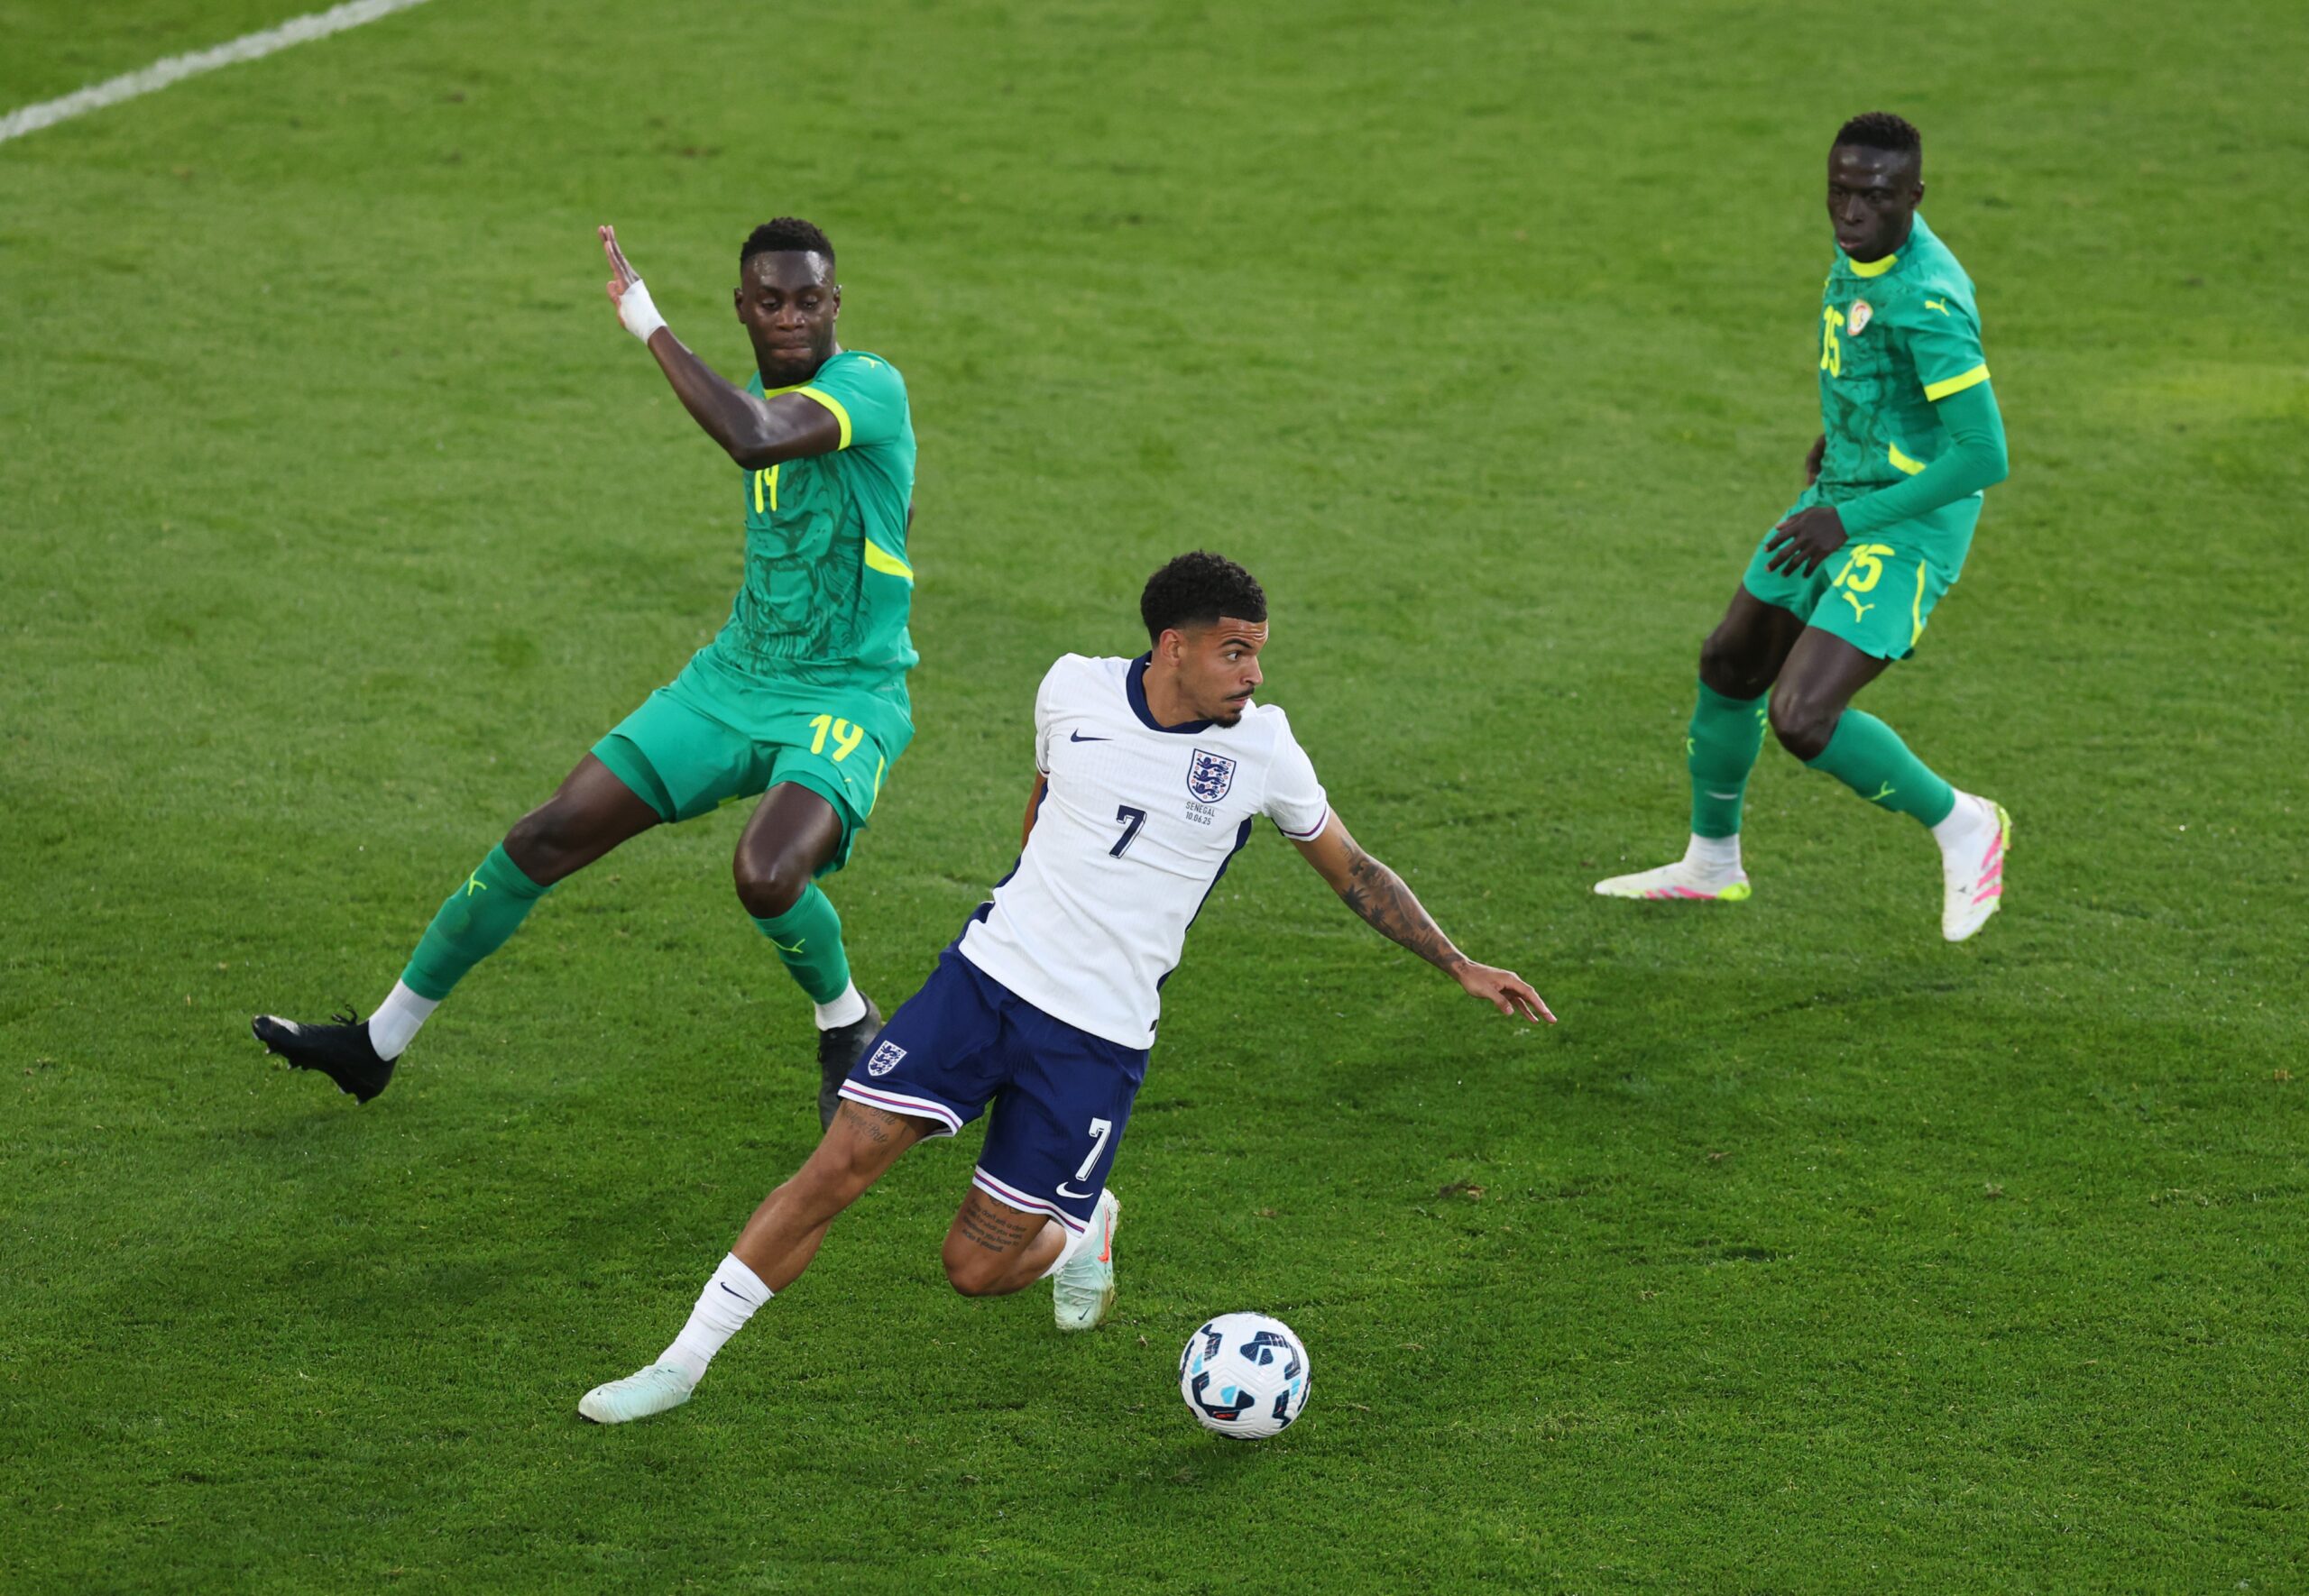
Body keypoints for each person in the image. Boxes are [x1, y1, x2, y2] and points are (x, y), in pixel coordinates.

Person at [576, 552, 1555, 1424]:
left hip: (1095, 1040)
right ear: (1173, 646)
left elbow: (1353, 868)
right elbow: (1045, 802)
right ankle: (681, 1364)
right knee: (836, 1165)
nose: (1253, 675)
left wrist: (1457, 961)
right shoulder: (1071, 689)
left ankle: (1084, 1225)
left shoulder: (1263, 750)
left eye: (1258, 654)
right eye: (1235, 653)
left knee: (975, 1270)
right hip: (985, 984)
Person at [254, 218, 916, 1120]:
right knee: (546, 835)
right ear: (744, 310)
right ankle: (377, 1044)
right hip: (735, 677)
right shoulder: (753, 390)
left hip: (844, 694)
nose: (792, 318)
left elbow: (754, 438)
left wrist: (647, 321)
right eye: (771, 303)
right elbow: (763, 434)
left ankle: (845, 1024)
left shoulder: (866, 387)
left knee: (765, 872)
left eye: (809, 301)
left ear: (836, 303)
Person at [1594, 113, 2013, 940]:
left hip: (1906, 521)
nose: (1851, 213)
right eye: (1840, 192)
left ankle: (1965, 823)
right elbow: (1873, 365)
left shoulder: (1927, 297)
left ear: (1915, 197)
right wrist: (1846, 434)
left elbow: (1982, 456)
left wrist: (1847, 515)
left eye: (1876, 197)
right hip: (1841, 489)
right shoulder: (1865, 251)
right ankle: (1712, 866)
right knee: (1730, 661)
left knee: (1802, 717)